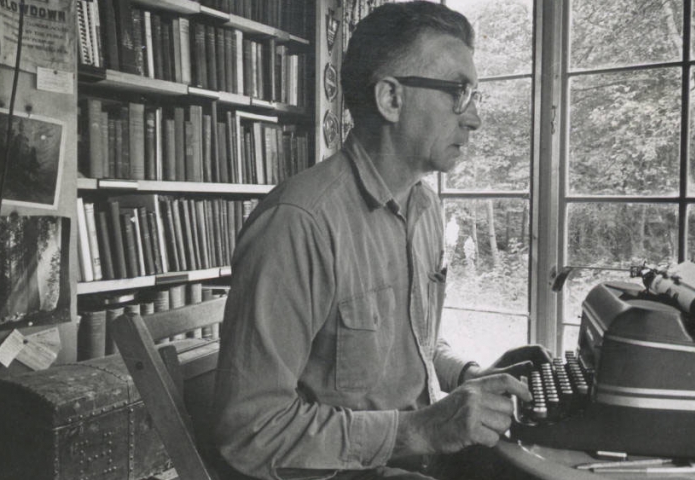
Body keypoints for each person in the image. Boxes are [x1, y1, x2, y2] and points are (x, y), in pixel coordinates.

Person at [212, 3, 550, 479]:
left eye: (475, 97)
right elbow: (251, 433)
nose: (473, 119)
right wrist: (419, 431)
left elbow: (410, 346)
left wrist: (466, 376)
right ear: (390, 98)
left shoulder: (425, 209)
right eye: (459, 93)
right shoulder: (299, 224)